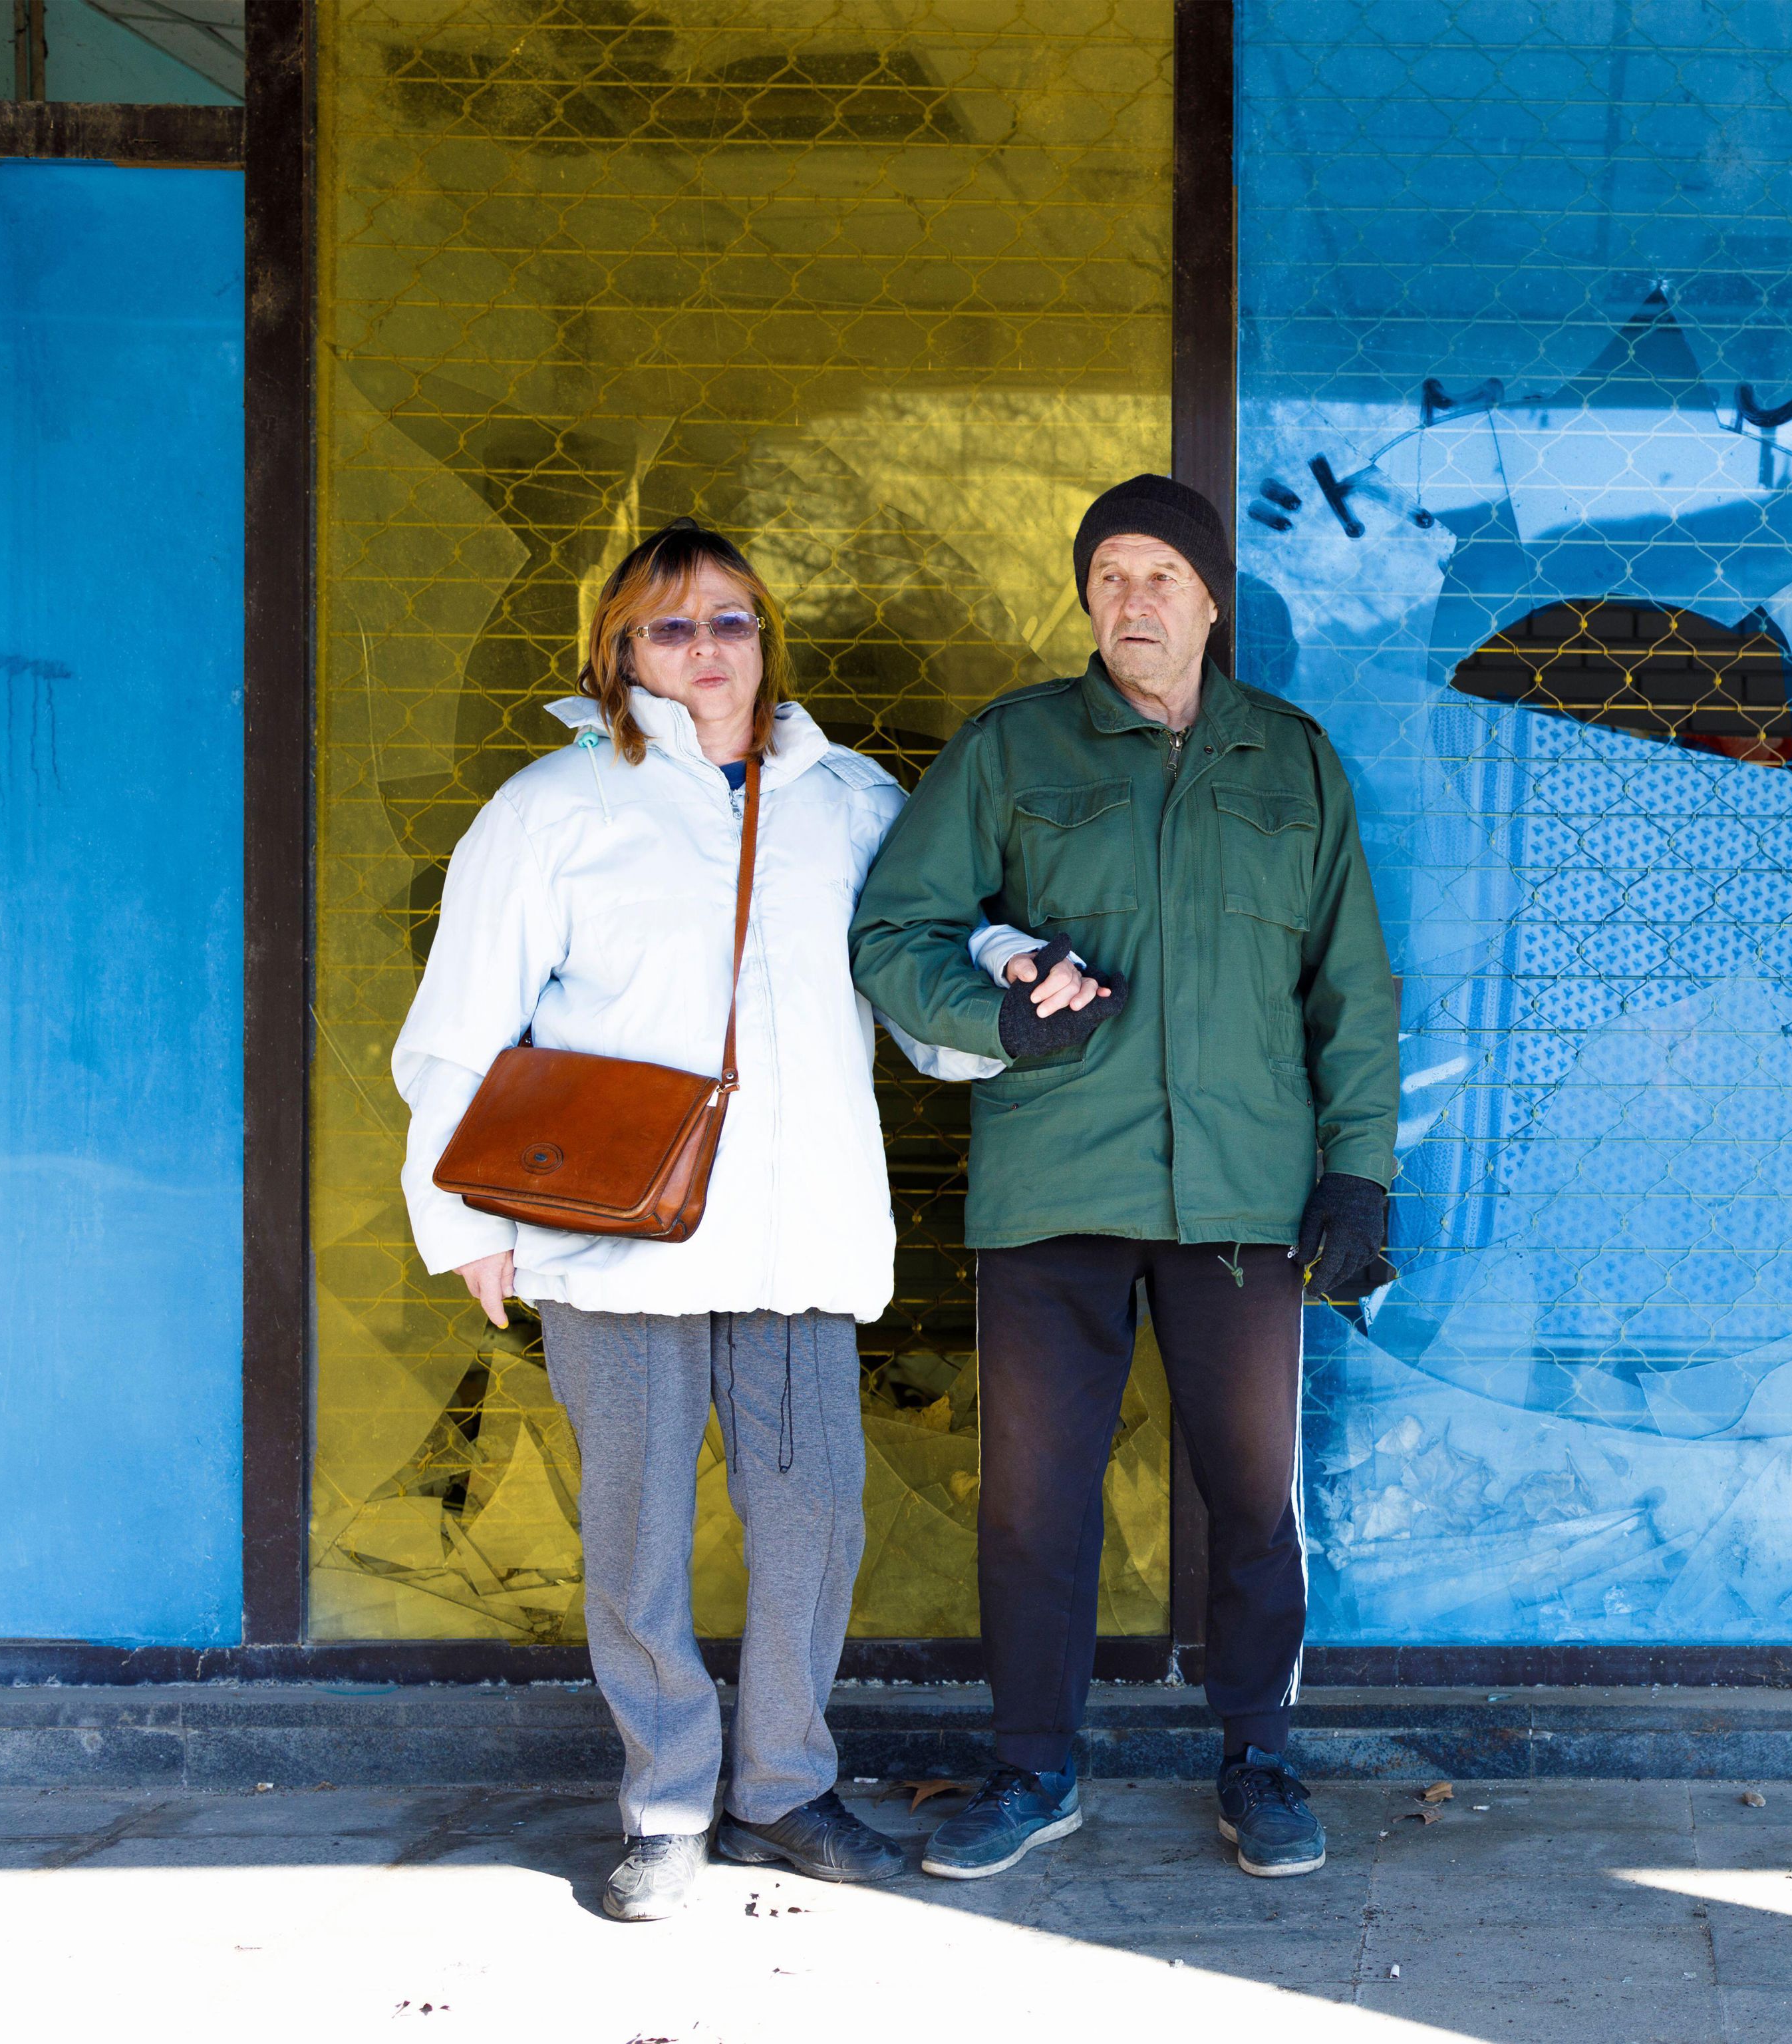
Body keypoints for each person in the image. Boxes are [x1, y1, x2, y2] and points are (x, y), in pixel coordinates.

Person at [392, 518, 1000, 1922]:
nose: (705, 649)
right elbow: (459, 1028)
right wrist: (462, 1220)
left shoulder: (849, 799)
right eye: (669, 626)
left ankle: (781, 1791)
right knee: (638, 1532)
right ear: (617, 652)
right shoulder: (553, 807)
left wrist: (1010, 996)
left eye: (729, 619)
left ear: (765, 637)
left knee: (812, 1519)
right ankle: (666, 1807)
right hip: (615, 1237)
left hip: (796, 1228)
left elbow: (920, 966)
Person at [851, 472, 1402, 1881]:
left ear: (1212, 601)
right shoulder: (1014, 749)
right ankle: (1035, 1767)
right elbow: (892, 931)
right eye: (1108, 577)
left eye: (1161, 576)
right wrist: (999, 1021)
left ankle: (1260, 1757)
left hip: (1242, 1199)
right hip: (1054, 1188)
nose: (1132, 601)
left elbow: (1350, 988)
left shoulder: (1292, 763)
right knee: (1034, 1502)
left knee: (1252, 1495)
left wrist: (1357, 1173)